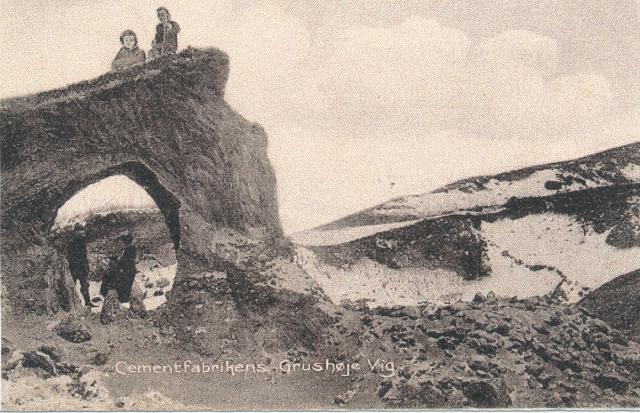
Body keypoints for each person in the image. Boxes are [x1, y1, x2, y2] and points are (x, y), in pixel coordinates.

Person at [66, 224, 95, 307]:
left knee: (85, 286)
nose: (83, 234)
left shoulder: (83, 243)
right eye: (81, 232)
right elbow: (70, 257)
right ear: (76, 232)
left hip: (82, 268)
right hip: (74, 268)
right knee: (72, 286)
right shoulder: (72, 243)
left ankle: (87, 301)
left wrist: (86, 267)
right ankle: (71, 303)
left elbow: (84, 257)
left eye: (83, 233)